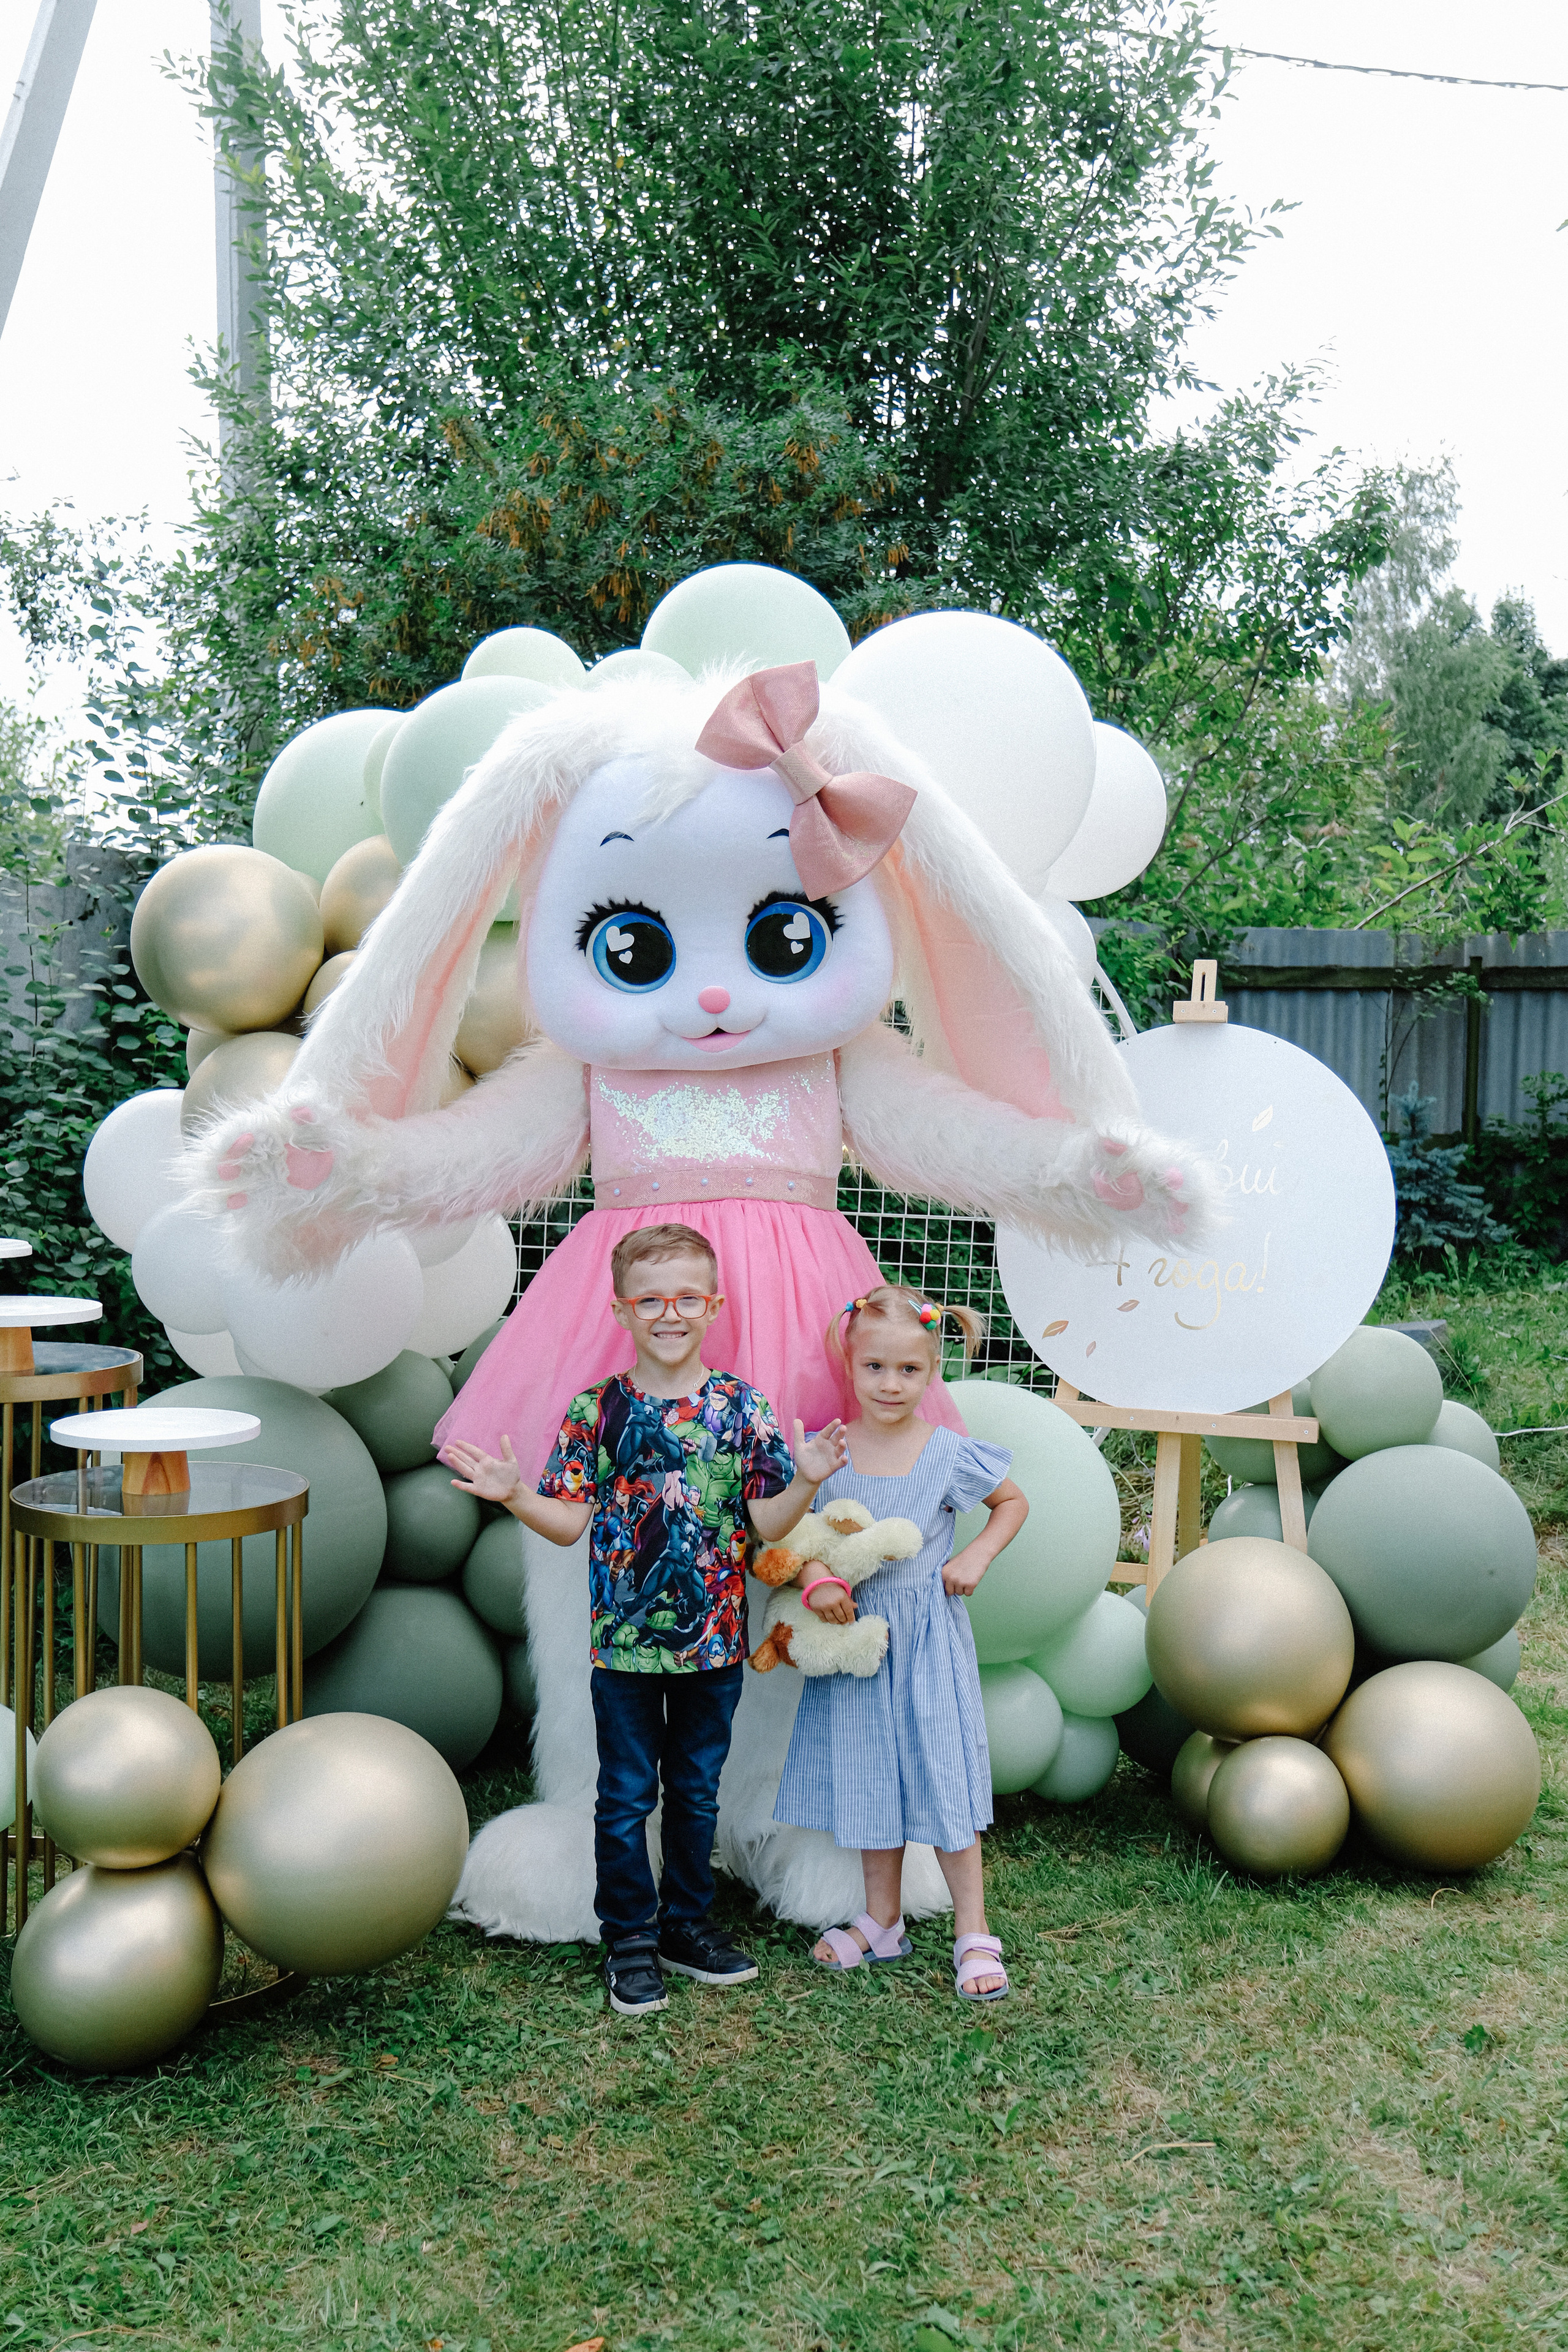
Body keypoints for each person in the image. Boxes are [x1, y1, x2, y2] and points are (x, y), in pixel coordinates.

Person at [443, 1221, 848, 2017]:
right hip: (626, 1649)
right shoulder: (597, 1412)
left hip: (714, 1646)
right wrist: (514, 1493)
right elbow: (567, 1524)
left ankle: (686, 1926)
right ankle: (629, 1938)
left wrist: (804, 1480)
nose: (670, 1313)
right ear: (623, 1312)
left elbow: (768, 1527)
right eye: (651, 1300)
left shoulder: (742, 1409)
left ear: (713, 1307)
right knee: (627, 1795)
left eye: (687, 1298)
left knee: (696, 1792)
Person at [772, 1286, 1028, 2001]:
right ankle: (881, 1918)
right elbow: (806, 1534)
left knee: (941, 1775)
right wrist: (820, 1577)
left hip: (925, 1642)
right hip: (854, 1639)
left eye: (909, 1371)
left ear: (932, 1371)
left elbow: (1013, 1504)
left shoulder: (947, 1452)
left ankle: (972, 1929)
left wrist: (973, 1557)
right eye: (875, 1368)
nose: (891, 1385)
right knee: (867, 1777)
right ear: (848, 1367)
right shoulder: (833, 1449)